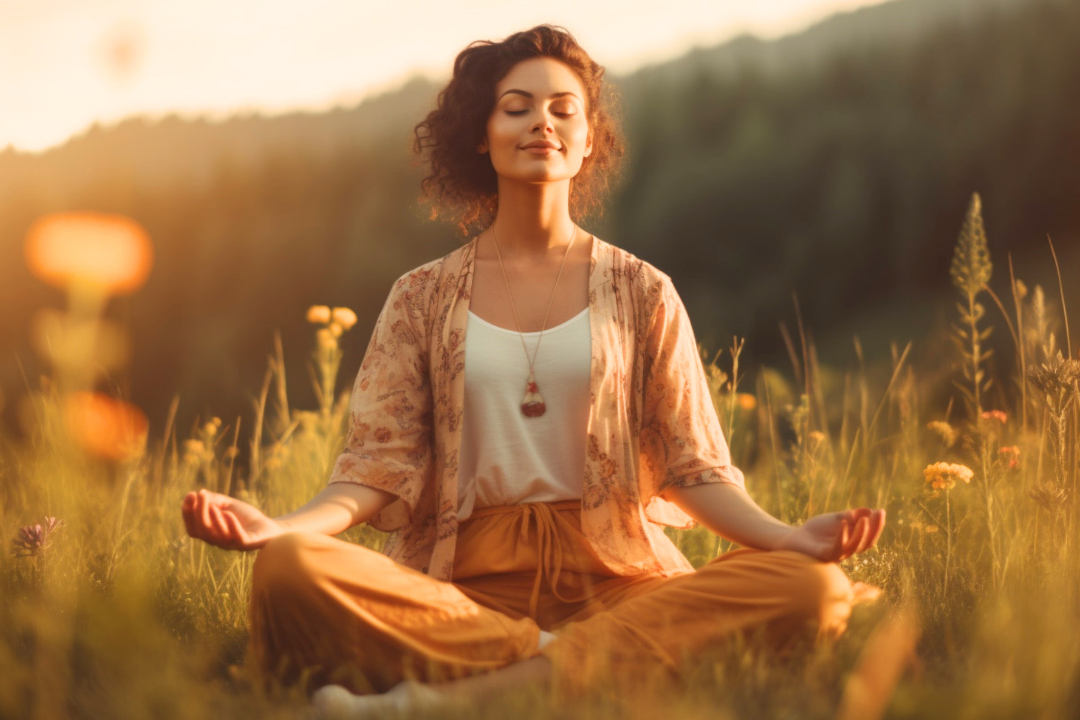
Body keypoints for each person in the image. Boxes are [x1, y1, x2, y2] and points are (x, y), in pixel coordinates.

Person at [180, 24, 886, 720]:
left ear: (587, 142)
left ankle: (440, 703)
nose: (541, 123)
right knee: (291, 570)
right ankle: (579, 664)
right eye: (516, 107)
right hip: (460, 589)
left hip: (618, 580)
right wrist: (281, 528)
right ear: (480, 136)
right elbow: (373, 467)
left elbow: (693, 470)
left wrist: (790, 539)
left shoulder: (643, 291)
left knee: (811, 588)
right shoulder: (420, 296)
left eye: (562, 109)